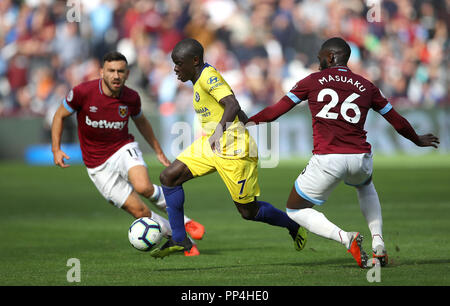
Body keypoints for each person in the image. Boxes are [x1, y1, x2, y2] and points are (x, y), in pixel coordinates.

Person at [248, 37, 440, 268]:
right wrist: (416, 139)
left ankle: (345, 237)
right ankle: (378, 243)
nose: (318, 61)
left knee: (295, 209)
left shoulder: (312, 81)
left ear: (330, 57)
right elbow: (396, 120)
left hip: (328, 159)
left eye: (320, 56)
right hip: (360, 158)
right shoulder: (367, 86)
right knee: (365, 186)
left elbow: (274, 112)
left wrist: (247, 122)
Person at [150, 38, 307, 258]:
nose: (175, 69)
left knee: (248, 211)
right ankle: (179, 238)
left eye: (178, 63)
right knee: (169, 177)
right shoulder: (201, 77)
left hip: (234, 150)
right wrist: (239, 123)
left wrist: (219, 132)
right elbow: (233, 105)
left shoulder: (208, 76)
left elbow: (231, 103)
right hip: (213, 145)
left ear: (194, 61)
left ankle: (293, 225)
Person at [51, 51, 205, 256]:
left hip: (123, 148)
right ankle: (180, 239)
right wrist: (56, 149)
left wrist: (158, 150)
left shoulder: (131, 97)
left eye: (120, 71)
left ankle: (186, 222)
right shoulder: (83, 92)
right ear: (101, 72)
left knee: (143, 186)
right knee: (140, 212)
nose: (116, 75)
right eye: (111, 71)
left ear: (127, 73)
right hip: (96, 165)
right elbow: (59, 115)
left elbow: (141, 122)